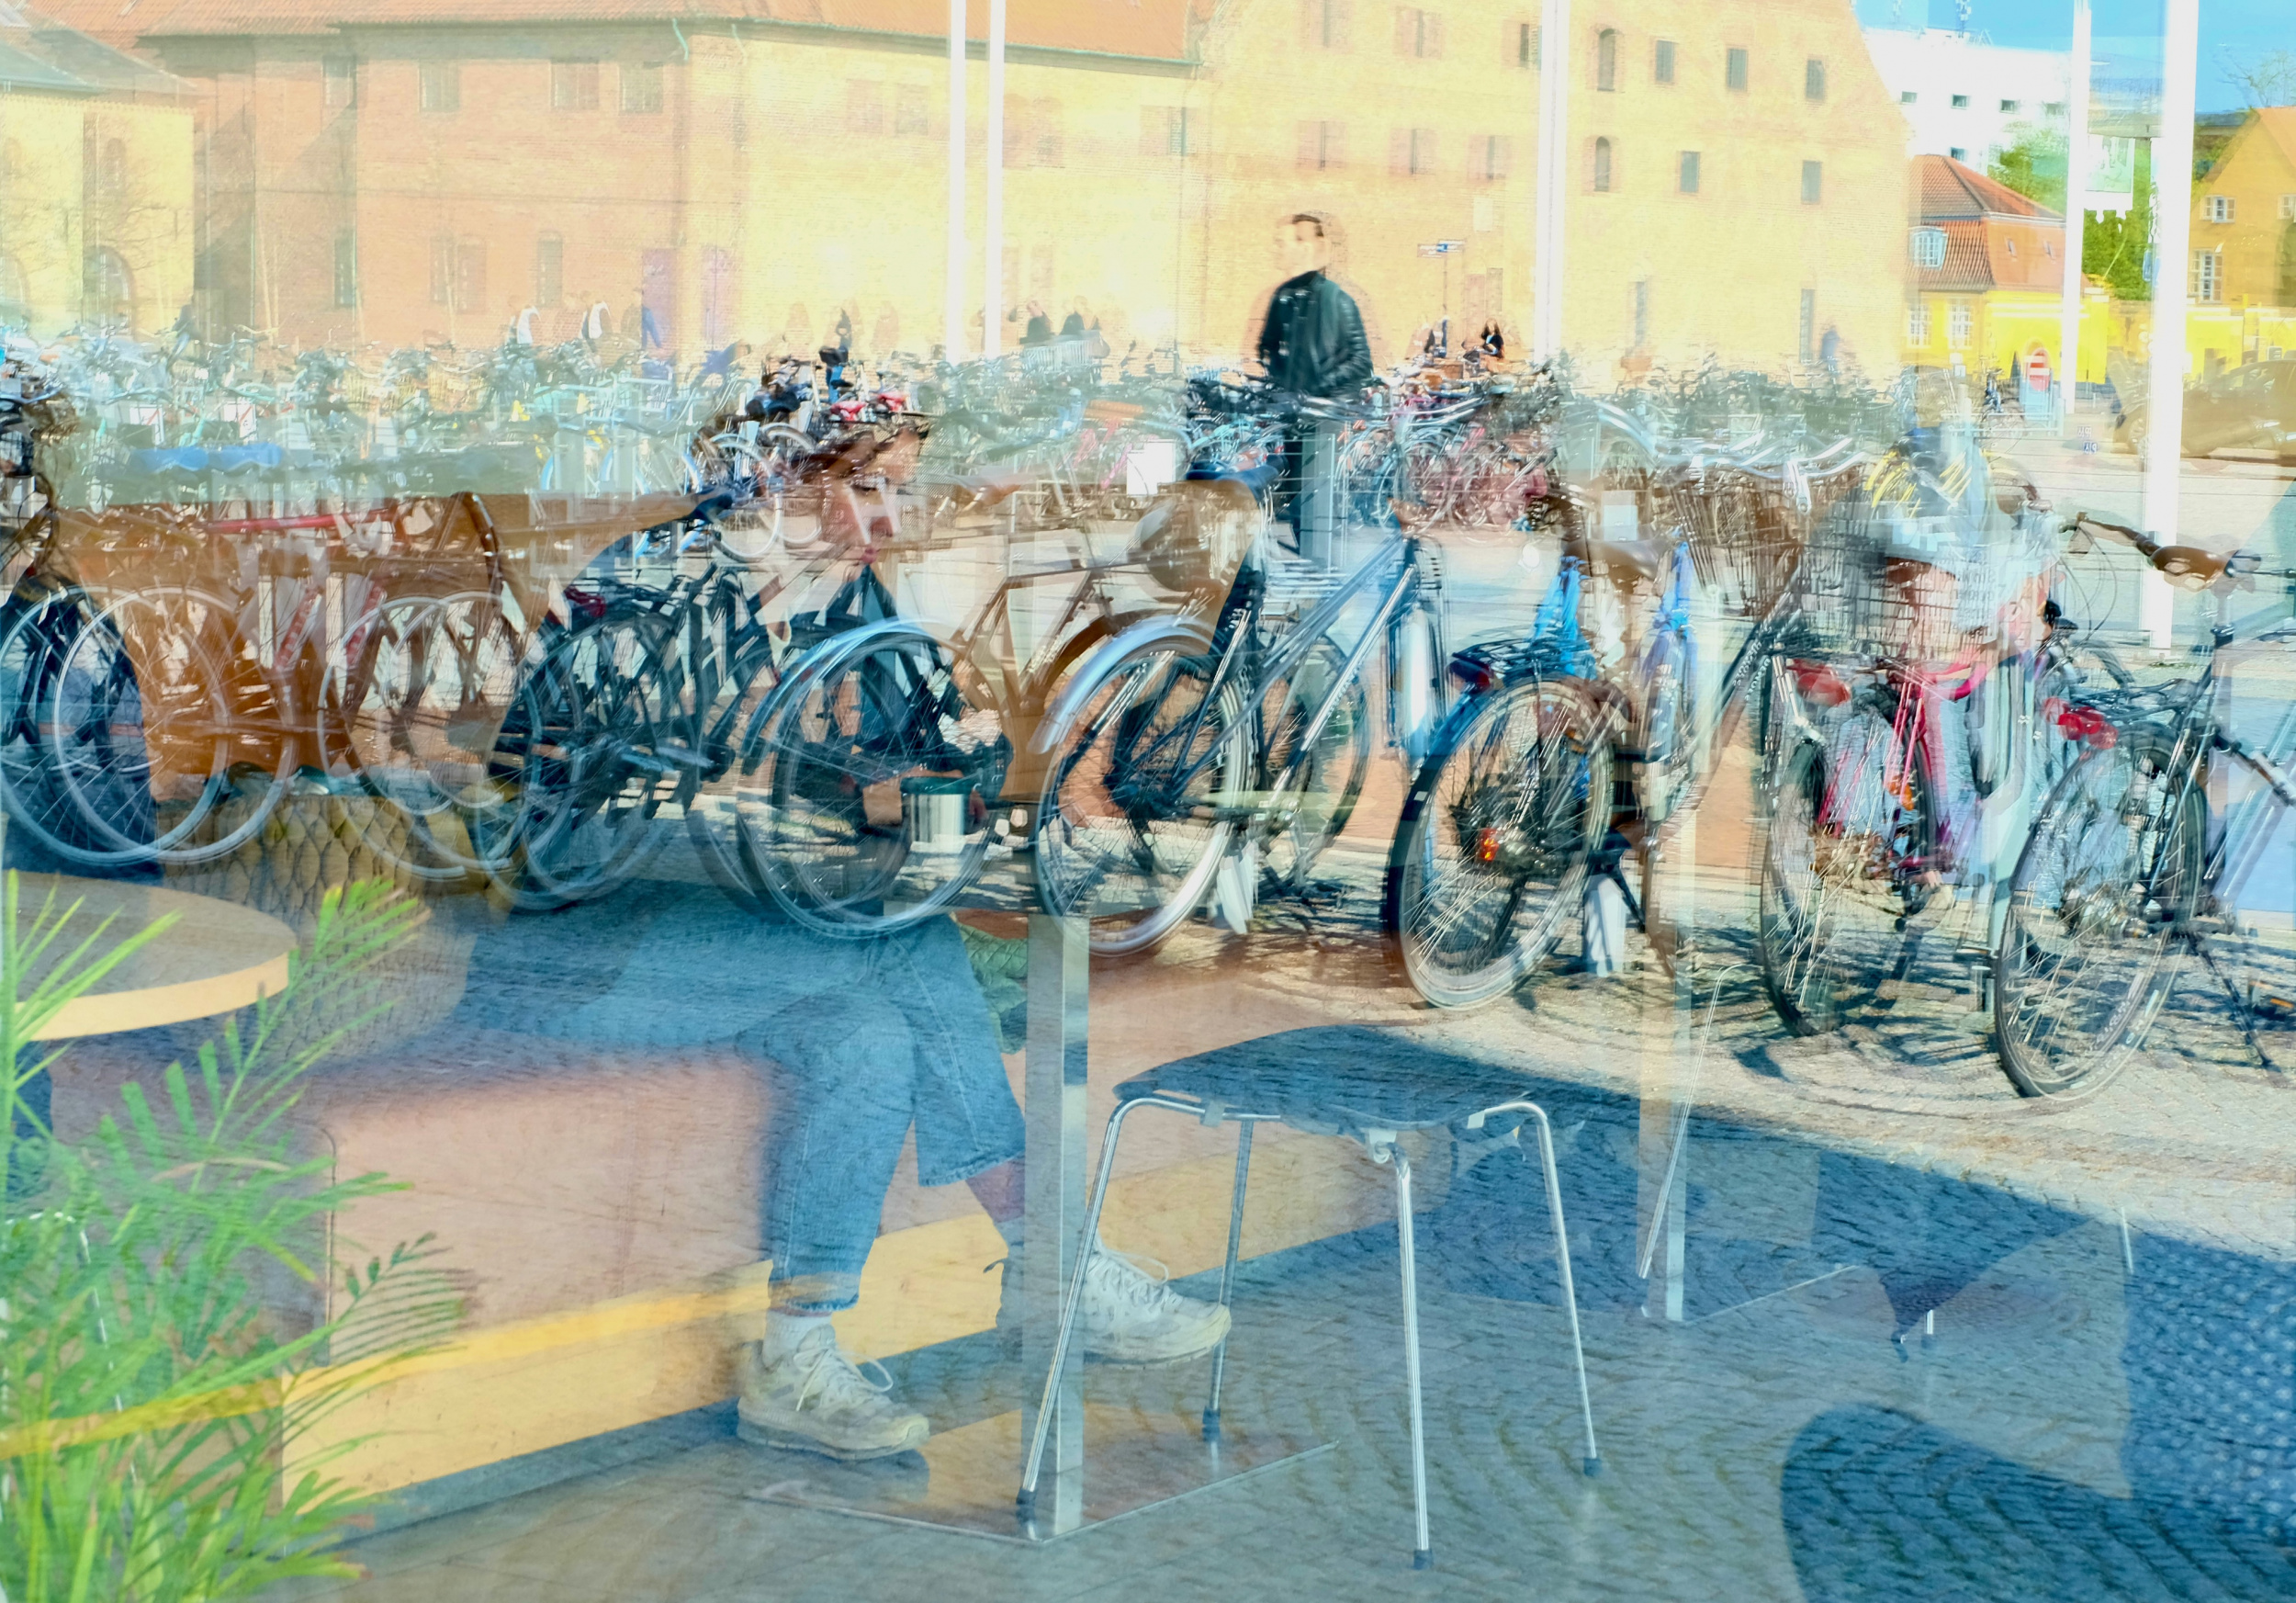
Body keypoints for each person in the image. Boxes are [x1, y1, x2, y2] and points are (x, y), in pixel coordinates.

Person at [737, 914, 1230, 1461]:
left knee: (871, 1040)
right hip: (656, 956)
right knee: (913, 935)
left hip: (733, 951)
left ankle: (789, 1360)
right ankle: (1051, 1258)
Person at [1255, 212, 1373, 566]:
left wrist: (1319, 387)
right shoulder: (1284, 296)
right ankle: (1313, 564)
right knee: (1297, 493)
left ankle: (1317, 567)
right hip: (1294, 414)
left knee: (1313, 497)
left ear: (1319, 247)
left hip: (1323, 417)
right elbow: (1266, 347)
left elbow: (1361, 362)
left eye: (1300, 241)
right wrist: (1280, 382)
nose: (1291, 249)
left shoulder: (1339, 301)